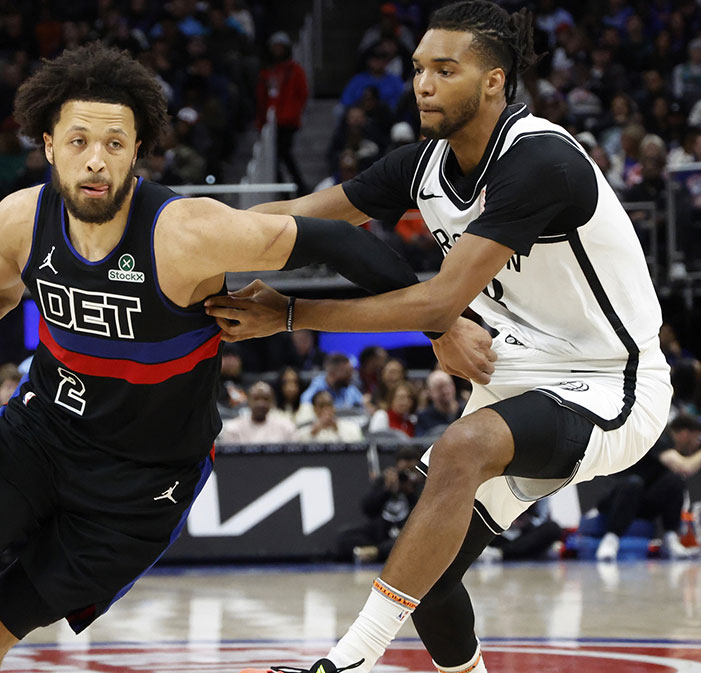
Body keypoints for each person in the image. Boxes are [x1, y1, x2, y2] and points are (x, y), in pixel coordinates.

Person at [0, 43, 492, 673]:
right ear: (47, 145)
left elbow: (341, 239)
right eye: (78, 142)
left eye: (114, 144)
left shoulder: (188, 233)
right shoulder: (20, 219)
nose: (96, 161)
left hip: (142, 483)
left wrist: (439, 321)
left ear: (138, 149)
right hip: (42, 434)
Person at [209, 4, 670, 672]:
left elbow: (439, 298)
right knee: (428, 578)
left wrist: (290, 313)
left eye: (444, 70)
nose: (422, 84)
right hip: (515, 368)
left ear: (494, 82)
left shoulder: (539, 159)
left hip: (610, 381)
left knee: (464, 446)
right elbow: (301, 216)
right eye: (419, 68)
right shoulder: (422, 165)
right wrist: (185, 226)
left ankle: (348, 661)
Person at [595, 415, 701, 562]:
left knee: (674, 481)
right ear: (685, 434)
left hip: (641, 503)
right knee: (634, 483)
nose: (696, 444)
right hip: (616, 499)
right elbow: (685, 467)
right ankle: (611, 539)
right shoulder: (658, 438)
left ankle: (670, 538)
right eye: (696, 438)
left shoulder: (673, 448)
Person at [256, 31, 310, 195]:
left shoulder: (295, 70)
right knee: (277, 158)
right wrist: (261, 121)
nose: (277, 50)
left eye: (280, 47)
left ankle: (297, 188)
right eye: (274, 47)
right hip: (271, 121)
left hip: (288, 120)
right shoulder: (266, 72)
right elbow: (261, 97)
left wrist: (294, 112)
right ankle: (291, 188)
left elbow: (303, 93)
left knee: (282, 154)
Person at [220, 382, 296, 443]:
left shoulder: (286, 427)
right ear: (248, 401)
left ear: (272, 402)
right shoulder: (232, 429)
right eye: (256, 399)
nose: (261, 404)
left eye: (266, 399)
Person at [294, 390, 365, 443]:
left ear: (334, 408)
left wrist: (337, 430)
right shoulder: (303, 432)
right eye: (321, 406)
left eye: (329, 405)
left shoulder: (352, 428)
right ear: (314, 409)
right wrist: (314, 433)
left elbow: (356, 451)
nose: (326, 409)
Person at [416, 370, 466, 437]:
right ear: (430, 392)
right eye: (439, 387)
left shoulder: (467, 412)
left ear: (453, 386)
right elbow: (421, 443)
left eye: (448, 385)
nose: (445, 391)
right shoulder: (424, 418)